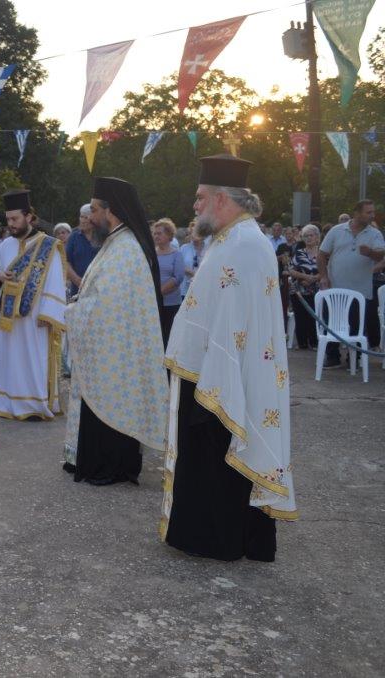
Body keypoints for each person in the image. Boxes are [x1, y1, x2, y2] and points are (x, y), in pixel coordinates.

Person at [162, 154, 296, 562]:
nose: (195, 205)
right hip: (212, 371)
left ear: (222, 199)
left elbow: (231, 322)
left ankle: (214, 537)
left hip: (223, 377)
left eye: (201, 197)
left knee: (215, 456)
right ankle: (212, 532)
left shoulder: (244, 244)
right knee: (207, 458)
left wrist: (213, 375)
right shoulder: (233, 238)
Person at [63, 177, 167, 484]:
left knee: (109, 406)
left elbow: (108, 304)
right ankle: (92, 460)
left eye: (95, 210)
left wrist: (75, 311)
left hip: (116, 351)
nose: (90, 217)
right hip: (110, 348)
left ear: (112, 211)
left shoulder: (126, 249)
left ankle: (110, 466)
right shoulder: (116, 243)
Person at [0, 190, 66, 421]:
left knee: (33, 359)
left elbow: (55, 280)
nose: (10, 224)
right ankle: (9, 403)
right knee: (11, 360)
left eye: (15, 219)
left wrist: (48, 314)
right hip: (9, 318)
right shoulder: (5, 245)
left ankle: (34, 404)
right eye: (7, 219)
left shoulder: (48, 246)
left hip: (34, 318)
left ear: (29, 216)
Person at [317, 199, 385, 367]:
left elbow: (380, 256)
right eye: (368, 212)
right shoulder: (337, 230)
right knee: (331, 322)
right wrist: (324, 277)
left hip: (360, 291)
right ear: (357, 213)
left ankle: (354, 359)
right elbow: (321, 254)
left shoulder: (374, 234)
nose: (372, 215)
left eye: (372, 212)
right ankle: (332, 356)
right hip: (335, 288)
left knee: (356, 326)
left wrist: (370, 253)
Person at [152, 218, 185, 346]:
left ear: (169, 235)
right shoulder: (151, 254)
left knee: (169, 336)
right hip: (153, 304)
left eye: (159, 233)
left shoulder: (176, 254)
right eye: (155, 233)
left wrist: (159, 293)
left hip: (171, 303)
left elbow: (178, 277)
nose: (156, 236)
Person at [64, 204, 102, 297]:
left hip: (100, 288)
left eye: (86, 217)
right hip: (78, 290)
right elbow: (65, 262)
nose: (83, 221)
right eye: (81, 217)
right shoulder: (73, 237)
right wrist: (78, 281)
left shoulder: (102, 236)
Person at [178, 220, 207, 300]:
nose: (193, 235)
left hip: (204, 288)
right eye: (191, 232)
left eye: (196, 232)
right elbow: (180, 265)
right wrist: (194, 273)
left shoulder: (209, 248)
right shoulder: (184, 248)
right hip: (186, 290)